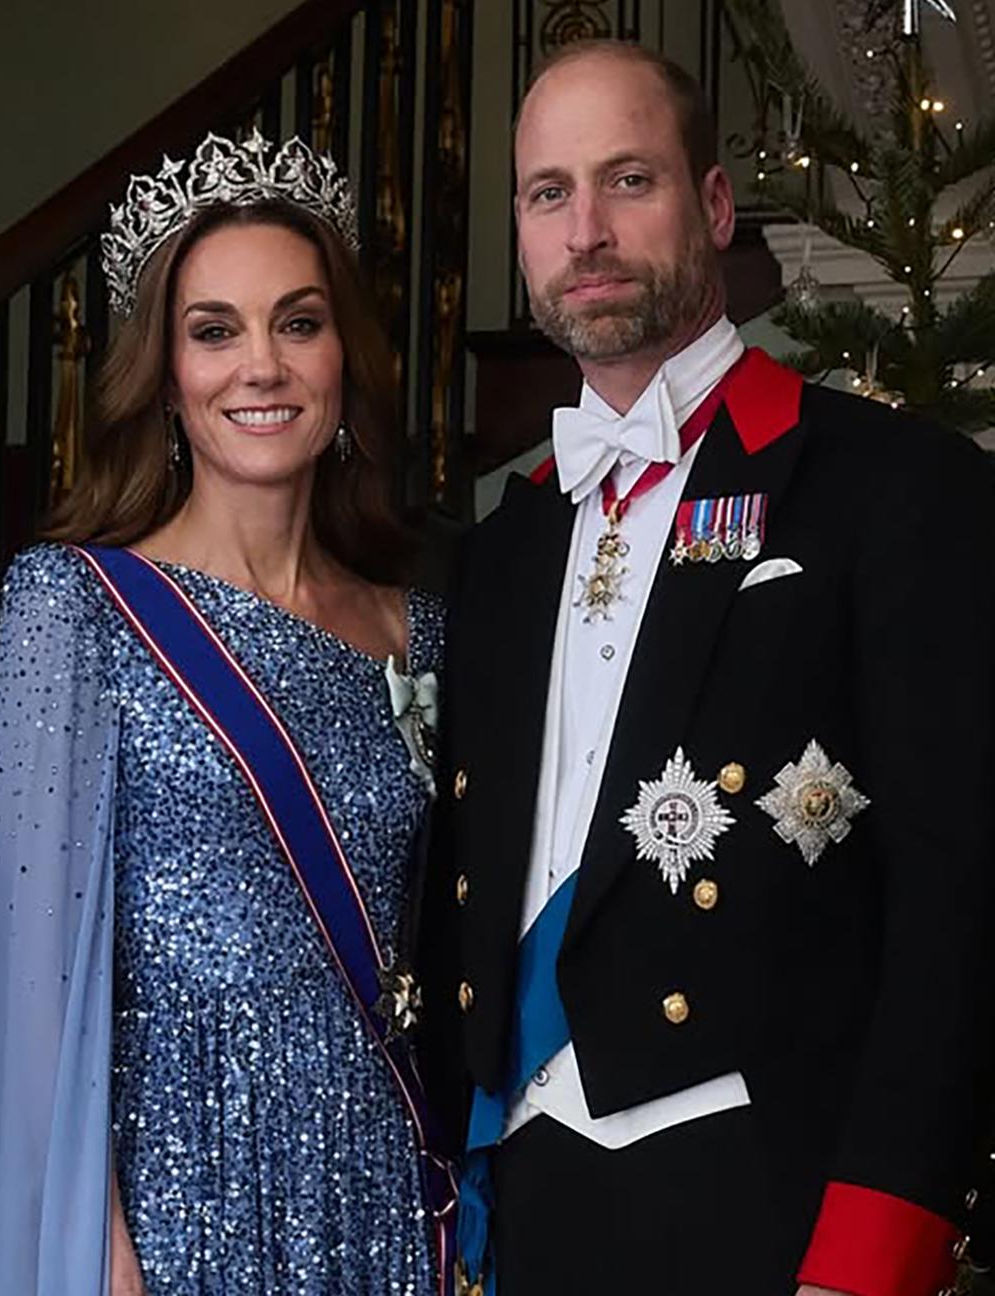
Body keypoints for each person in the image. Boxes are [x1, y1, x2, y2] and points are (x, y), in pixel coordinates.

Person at [418, 39, 995, 1296]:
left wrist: (873, 1247)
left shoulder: (895, 492)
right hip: (532, 1205)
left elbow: (960, 899)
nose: (588, 231)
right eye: (549, 193)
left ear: (715, 206)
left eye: (630, 179)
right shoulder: (501, 553)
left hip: (772, 1207)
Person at [0, 130, 455, 1296]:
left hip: (379, 1181)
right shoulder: (74, 607)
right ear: (167, 375)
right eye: (215, 331)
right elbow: (28, 1002)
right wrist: (98, 1256)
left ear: (341, 358)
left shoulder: (421, 631)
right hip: (177, 1203)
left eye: (298, 322)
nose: (259, 365)